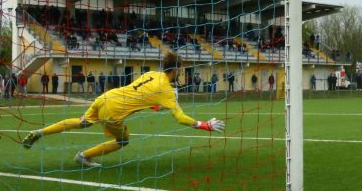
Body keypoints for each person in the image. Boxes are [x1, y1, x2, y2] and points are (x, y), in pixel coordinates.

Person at [22, 52, 226, 168]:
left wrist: (154, 105)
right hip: (114, 111)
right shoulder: (167, 89)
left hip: (107, 96)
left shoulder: (152, 74)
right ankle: (83, 156)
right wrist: (205, 125)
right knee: (123, 141)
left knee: (81, 121)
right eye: (180, 68)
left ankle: (40, 132)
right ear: (177, 69)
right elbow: (180, 118)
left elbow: (141, 94)